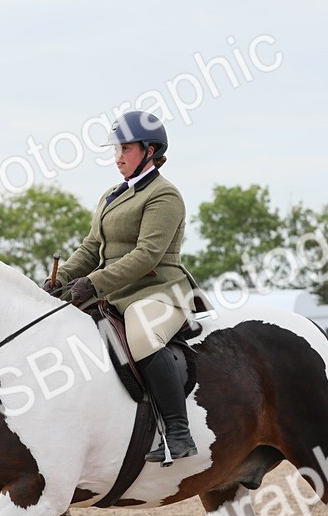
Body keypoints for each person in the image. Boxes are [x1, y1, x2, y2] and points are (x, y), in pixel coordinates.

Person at [45, 110, 209, 463]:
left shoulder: (165, 196)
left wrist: (95, 281)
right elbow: (91, 248)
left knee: (142, 336)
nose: (117, 157)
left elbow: (147, 255)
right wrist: (59, 280)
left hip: (159, 291)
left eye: (126, 149)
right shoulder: (112, 195)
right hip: (114, 293)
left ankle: (179, 433)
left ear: (150, 151)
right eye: (116, 149)